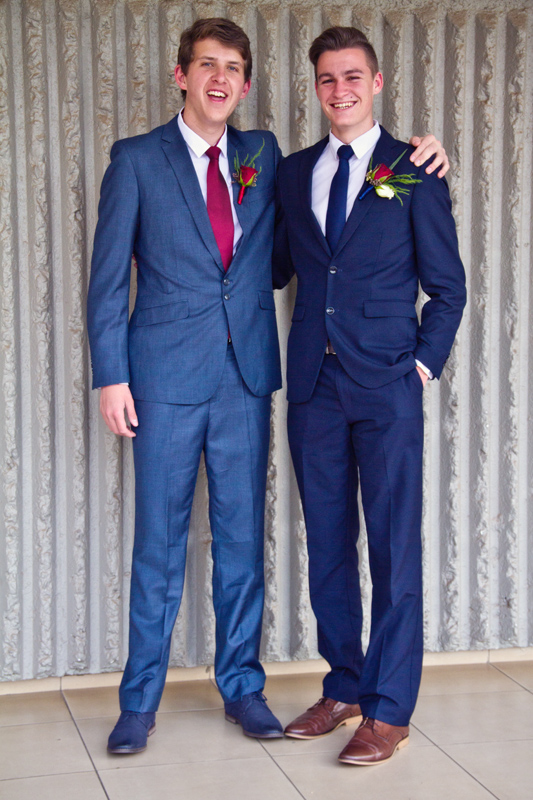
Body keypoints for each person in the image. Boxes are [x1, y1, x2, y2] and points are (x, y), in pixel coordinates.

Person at [87, 17, 449, 755]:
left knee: (249, 544)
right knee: (171, 545)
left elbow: (413, 273)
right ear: (181, 75)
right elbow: (113, 280)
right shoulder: (156, 161)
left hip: (262, 381)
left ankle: (255, 690)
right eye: (206, 65)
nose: (219, 78)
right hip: (176, 378)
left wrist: (421, 361)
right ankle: (142, 702)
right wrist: (111, 374)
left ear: (246, 84)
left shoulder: (292, 159)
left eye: (232, 68)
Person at [273, 26, 466, 766]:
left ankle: (389, 709)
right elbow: (278, 268)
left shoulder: (413, 168)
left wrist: (419, 367)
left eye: (352, 76)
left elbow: (446, 288)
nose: (340, 90)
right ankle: (344, 686)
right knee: (326, 546)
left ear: (376, 82)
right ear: (316, 87)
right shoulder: (293, 172)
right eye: (327, 78)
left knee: (391, 547)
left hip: (387, 385)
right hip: (314, 387)